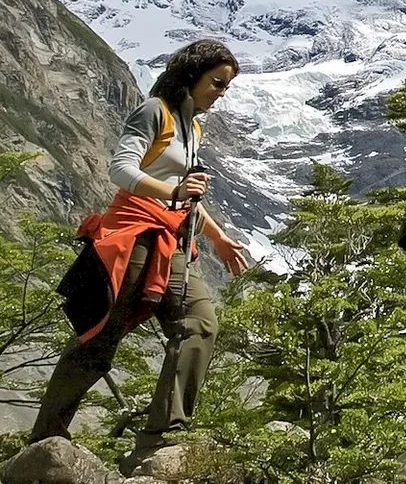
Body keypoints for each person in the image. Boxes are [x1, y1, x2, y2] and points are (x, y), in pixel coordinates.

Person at [31, 40, 249, 472]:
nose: (221, 93)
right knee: (101, 335)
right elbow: (121, 168)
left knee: (199, 322)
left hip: (170, 239)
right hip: (133, 235)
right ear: (192, 76)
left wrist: (219, 238)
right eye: (217, 83)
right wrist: (172, 192)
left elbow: (187, 197)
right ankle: (47, 436)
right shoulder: (155, 112)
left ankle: (162, 433)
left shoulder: (194, 129)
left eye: (226, 87)